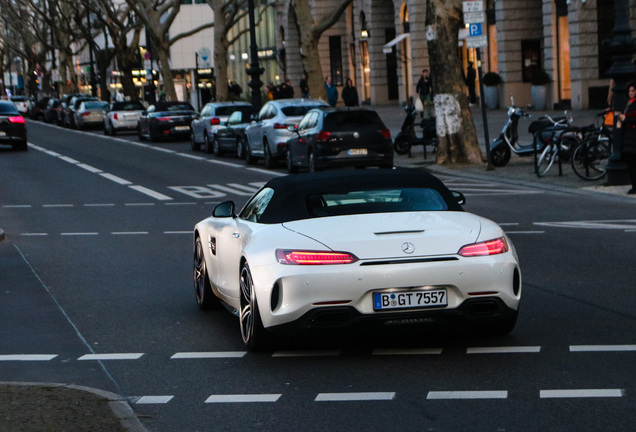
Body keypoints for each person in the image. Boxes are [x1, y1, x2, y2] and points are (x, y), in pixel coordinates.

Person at [618, 81, 636, 195]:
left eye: (633, 91)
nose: (631, 93)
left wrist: (625, 119)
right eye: (629, 91)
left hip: (633, 136)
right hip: (628, 137)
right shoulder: (628, 103)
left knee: (633, 163)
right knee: (631, 163)